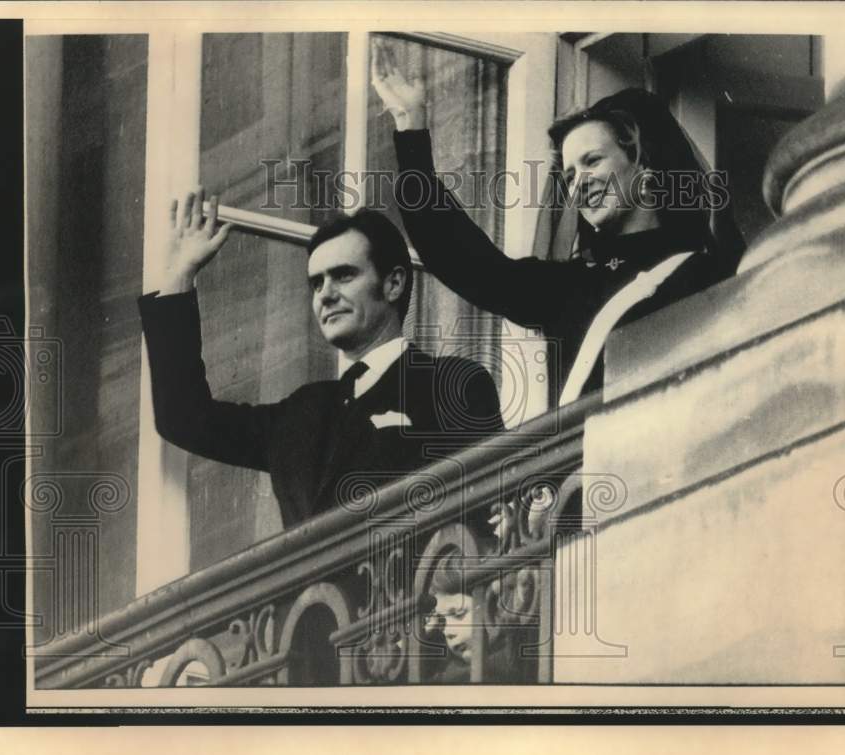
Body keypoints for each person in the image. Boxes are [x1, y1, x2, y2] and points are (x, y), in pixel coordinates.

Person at [371, 46, 744, 400]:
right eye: (569, 173)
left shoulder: (704, 275)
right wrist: (411, 130)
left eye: (592, 160)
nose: (579, 181)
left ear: (644, 164)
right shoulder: (570, 285)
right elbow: (467, 263)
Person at [138, 190, 504, 530]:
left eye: (343, 275)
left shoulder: (452, 384)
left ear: (393, 284)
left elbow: (492, 506)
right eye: (316, 283)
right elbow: (183, 418)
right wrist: (179, 276)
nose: (325, 295)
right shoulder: (299, 413)